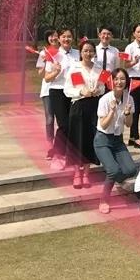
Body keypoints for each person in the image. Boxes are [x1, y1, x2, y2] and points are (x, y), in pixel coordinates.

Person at [93, 68, 138, 214]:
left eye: (122, 79)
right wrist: (112, 111)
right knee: (113, 170)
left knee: (131, 170)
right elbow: (104, 125)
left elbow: (129, 124)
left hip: (118, 140)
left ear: (127, 81)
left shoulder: (129, 99)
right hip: (103, 140)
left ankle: (119, 179)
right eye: (116, 79)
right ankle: (104, 199)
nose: (119, 82)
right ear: (111, 81)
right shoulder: (105, 100)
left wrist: (128, 113)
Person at [63, 40, 105, 188]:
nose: (88, 53)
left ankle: (86, 174)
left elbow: (103, 87)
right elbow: (67, 89)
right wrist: (81, 91)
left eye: (91, 51)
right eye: (85, 50)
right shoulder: (75, 68)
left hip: (94, 107)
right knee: (77, 139)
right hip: (79, 106)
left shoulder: (99, 68)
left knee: (89, 139)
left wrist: (97, 90)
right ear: (80, 52)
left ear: (94, 52)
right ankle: (76, 174)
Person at [44, 29, 79, 169]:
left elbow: (79, 74)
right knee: (63, 124)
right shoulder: (53, 54)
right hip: (58, 91)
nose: (66, 39)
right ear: (58, 39)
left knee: (73, 123)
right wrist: (56, 71)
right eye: (63, 36)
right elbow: (47, 78)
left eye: (69, 36)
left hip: (74, 92)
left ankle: (69, 154)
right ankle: (58, 154)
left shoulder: (77, 53)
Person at [36, 28, 59, 159]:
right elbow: (40, 73)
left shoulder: (63, 52)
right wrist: (44, 61)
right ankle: (50, 147)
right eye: (50, 36)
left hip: (62, 89)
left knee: (63, 120)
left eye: (55, 35)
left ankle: (62, 146)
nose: (53, 38)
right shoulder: (43, 53)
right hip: (48, 90)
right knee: (50, 119)